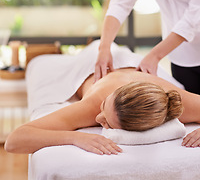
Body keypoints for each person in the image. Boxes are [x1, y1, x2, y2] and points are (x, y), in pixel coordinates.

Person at [4, 65, 200, 155]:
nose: (98, 118)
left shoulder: (173, 101)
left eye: (107, 123)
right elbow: (14, 140)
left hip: (134, 64)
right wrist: (75, 137)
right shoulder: (91, 106)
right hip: (89, 66)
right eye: (104, 106)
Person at [94, 0, 200, 94]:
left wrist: (154, 55)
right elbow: (122, 2)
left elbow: (194, 16)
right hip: (180, 57)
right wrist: (104, 47)